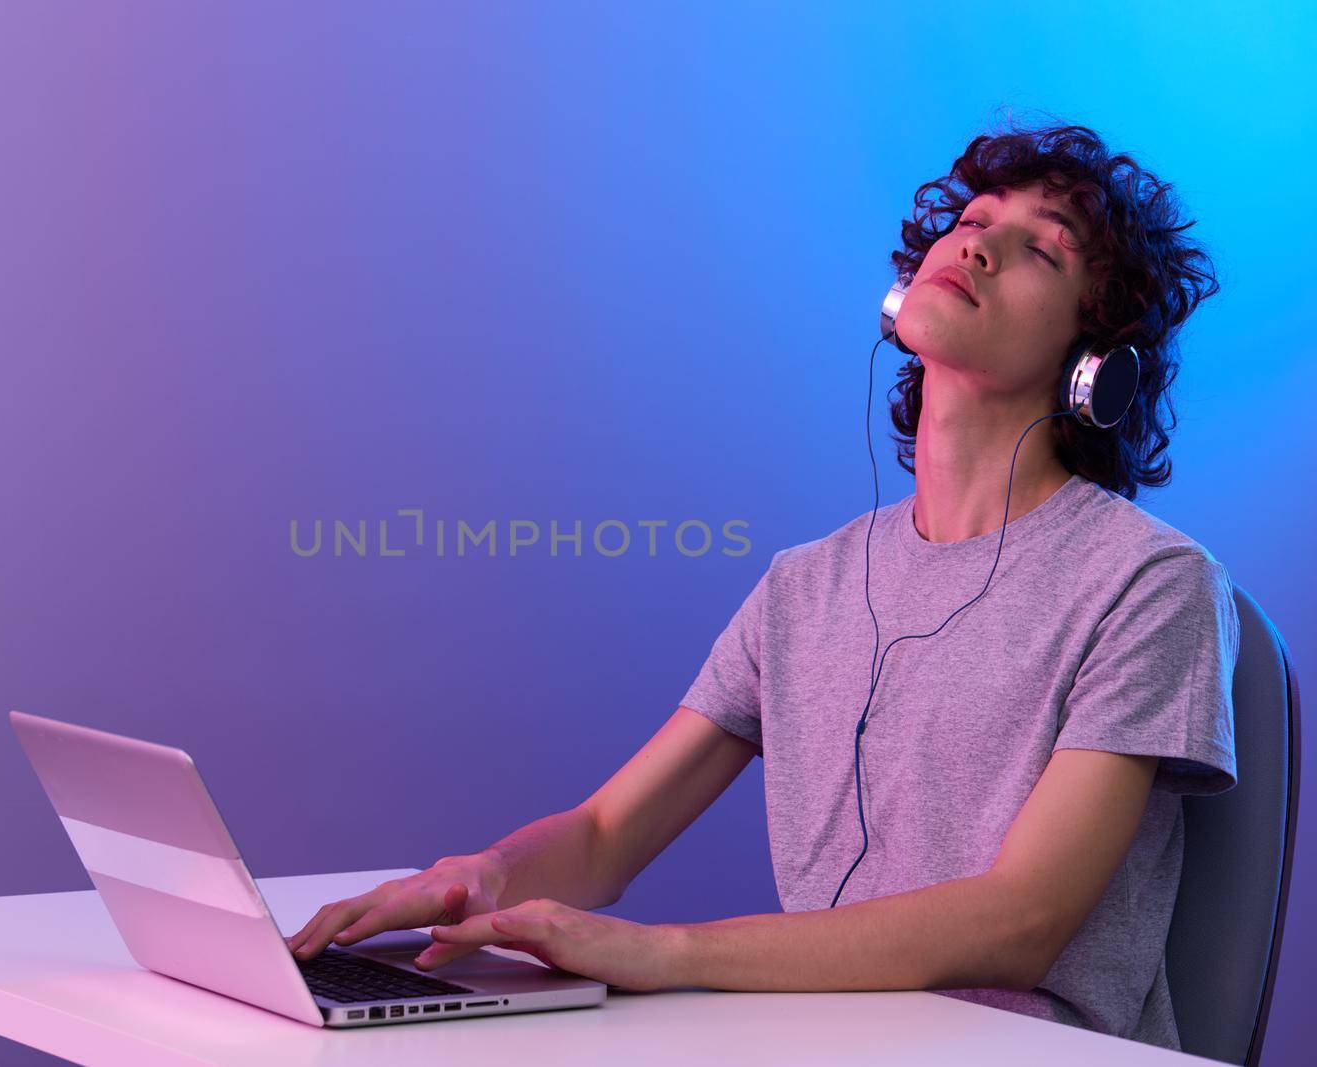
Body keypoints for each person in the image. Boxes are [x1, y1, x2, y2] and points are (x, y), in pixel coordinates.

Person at [284, 121, 1237, 1052]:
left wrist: (667, 953)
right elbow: (607, 833)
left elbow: (1020, 919)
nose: (980, 248)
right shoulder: (804, 588)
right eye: (975, 221)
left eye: (1041, 249)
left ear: (1096, 363)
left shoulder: (1151, 585)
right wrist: (476, 879)